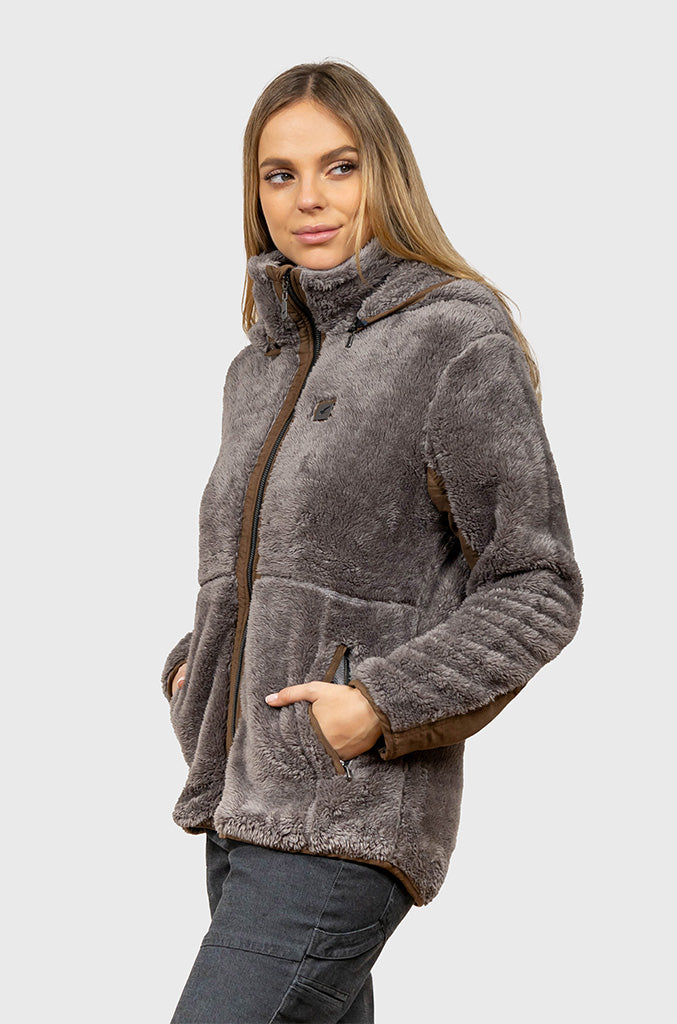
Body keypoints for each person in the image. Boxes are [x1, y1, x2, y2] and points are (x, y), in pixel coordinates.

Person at [162, 59, 584, 1024]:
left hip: (346, 811)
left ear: (384, 173)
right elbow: (259, 571)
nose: (307, 198)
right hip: (238, 811)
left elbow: (537, 582)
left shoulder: (452, 340)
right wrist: (200, 669)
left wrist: (377, 704)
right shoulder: (256, 369)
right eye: (279, 174)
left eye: (339, 167)